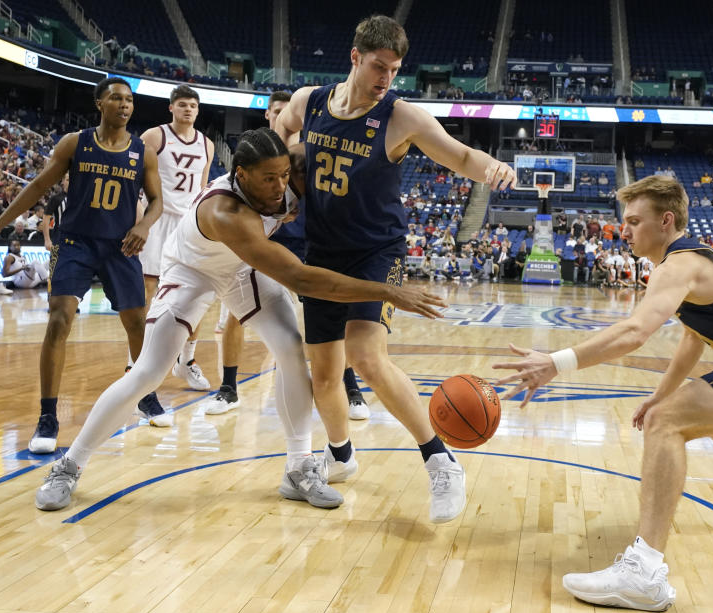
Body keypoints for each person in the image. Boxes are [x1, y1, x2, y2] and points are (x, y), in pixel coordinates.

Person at [33, 130, 445, 512]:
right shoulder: (226, 211)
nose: (280, 186)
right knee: (148, 372)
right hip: (192, 269)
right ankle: (69, 465)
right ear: (241, 175)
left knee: (289, 347)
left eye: (284, 175)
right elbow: (300, 278)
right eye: (268, 179)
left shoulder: (292, 168)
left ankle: (298, 467)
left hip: (240, 269)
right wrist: (388, 290)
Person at [494, 175, 713, 612]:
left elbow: (635, 331)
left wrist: (554, 363)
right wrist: (660, 394)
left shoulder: (679, 265)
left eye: (635, 221)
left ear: (666, 221)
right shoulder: (690, 262)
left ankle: (645, 575)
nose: (626, 230)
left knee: (667, 423)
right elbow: (693, 338)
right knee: (709, 422)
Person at [275, 14, 516, 522]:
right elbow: (280, 134)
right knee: (323, 374)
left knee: (364, 354)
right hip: (321, 251)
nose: (386, 77)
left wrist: (492, 167)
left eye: (395, 69)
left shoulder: (401, 116)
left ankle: (441, 460)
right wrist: (284, 175)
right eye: (379, 66)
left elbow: (462, 155)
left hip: (380, 253)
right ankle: (340, 454)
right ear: (355, 57)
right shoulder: (309, 102)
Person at [0, 77, 170, 455]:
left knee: (137, 322)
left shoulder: (144, 152)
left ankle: (146, 394)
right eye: (116, 98)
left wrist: (144, 225)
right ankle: (48, 416)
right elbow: (37, 188)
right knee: (59, 319)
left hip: (120, 246)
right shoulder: (75, 143)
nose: (124, 105)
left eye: (129, 100)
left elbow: (157, 201)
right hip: (75, 242)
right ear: (99, 104)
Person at [210, 90, 372, 421]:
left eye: (286, 110)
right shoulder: (256, 156)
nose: (281, 115)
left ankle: (350, 387)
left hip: (308, 241)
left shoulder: (306, 155)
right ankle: (228, 388)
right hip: (263, 242)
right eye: (276, 111)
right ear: (268, 116)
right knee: (234, 314)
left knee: (332, 315)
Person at [137, 85, 214, 392]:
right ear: (171, 108)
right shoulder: (154, 136)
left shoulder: (207, 145)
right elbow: (135, 177)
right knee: (149, 290)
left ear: (198, 110)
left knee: (198, 293)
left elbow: (204, 188)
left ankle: (187, 360)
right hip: (157, 219)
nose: (188, 109)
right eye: (182, 104)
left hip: (188, 225)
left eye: (193, 105)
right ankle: (144, 360)